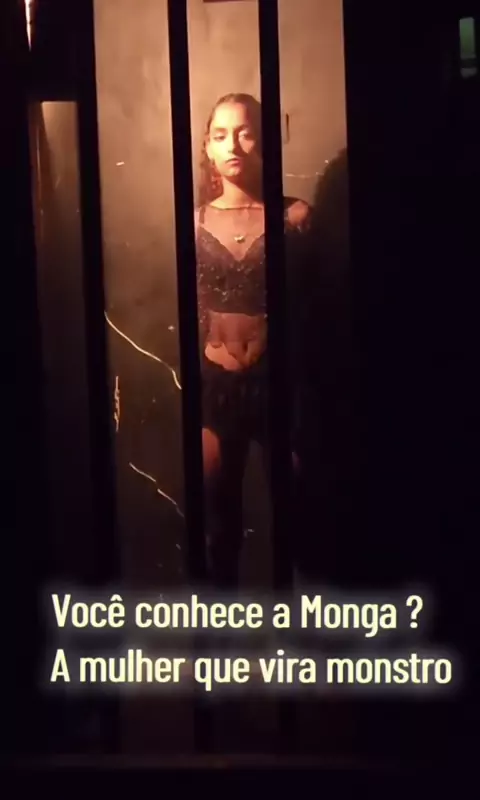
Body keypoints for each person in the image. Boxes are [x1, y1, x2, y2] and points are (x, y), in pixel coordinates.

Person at [195, 92, 311, 588]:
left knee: (294, 517)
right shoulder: (194, 220)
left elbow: (315, 302)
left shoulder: (294, 217)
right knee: (219, 523)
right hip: (216, 384)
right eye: (220, 135)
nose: (233, 145)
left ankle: (293, 623)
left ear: (264, 139)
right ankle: (221, 626)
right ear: (206, 146)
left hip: (276, 381)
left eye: (244, 132)